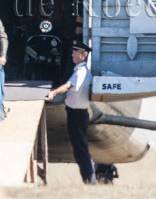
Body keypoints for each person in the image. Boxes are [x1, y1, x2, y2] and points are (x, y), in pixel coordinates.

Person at [45, 40, 118, 184]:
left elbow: (68, 86)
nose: (72, 54)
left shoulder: (81, 72)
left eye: (76, 52)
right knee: (79, 149)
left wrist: (54, 92)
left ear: (83, 55)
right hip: (77, 113)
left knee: (81, 150)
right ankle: (88, 178)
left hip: (77, 115)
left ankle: (90, 179)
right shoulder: (80, 71)